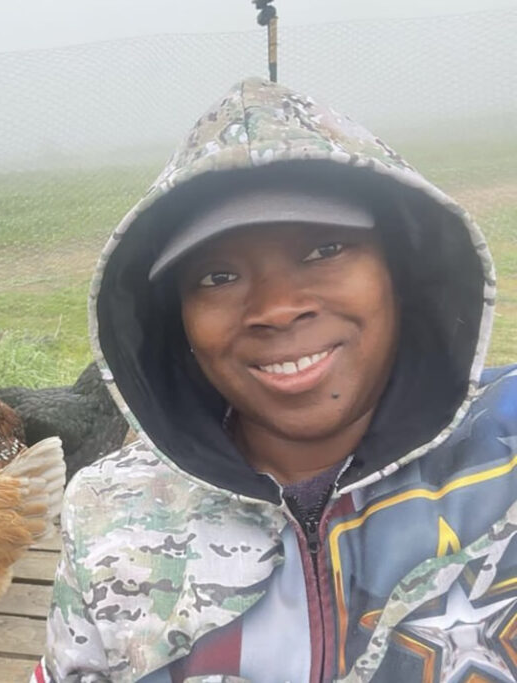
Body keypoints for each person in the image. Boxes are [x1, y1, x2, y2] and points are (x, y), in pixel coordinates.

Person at [33, 77, 517, 682]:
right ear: (174, 321)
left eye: (325, 248)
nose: (278, 307)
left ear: (402, 270)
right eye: (217, 276)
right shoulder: (108, 508)